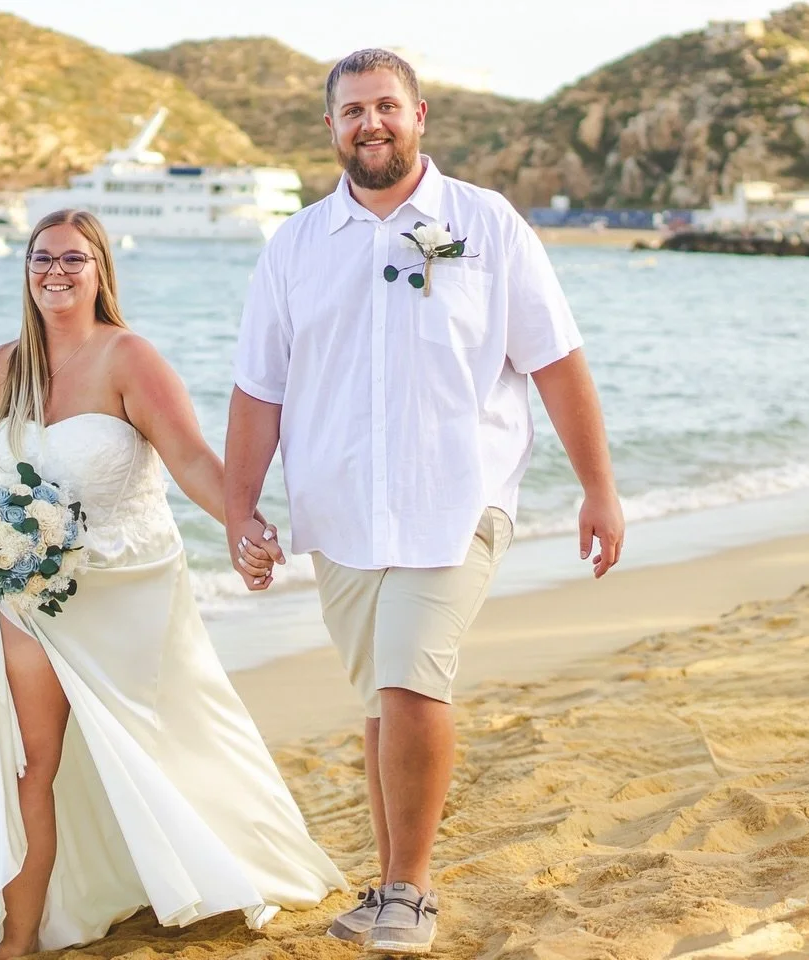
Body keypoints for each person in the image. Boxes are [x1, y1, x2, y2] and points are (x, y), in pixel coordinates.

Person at [224, 49, 625, 956]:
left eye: (385, 107)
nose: (371, 123)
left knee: (410, 680)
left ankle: (409, 891)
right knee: (382, 699)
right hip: (341, 509)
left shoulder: (485, 224)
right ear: (329, 128)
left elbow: (557, 363)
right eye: (352, 111)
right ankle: (388, 879)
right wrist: (239, 510)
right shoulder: (293, 248)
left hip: (460, 496)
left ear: (419, 115)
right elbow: (259, 392)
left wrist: (598, 488)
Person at [0, 209, 345, 960]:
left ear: (101, 271)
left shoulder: (129, 358)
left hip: (125, 590)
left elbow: (190, 459)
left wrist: (244, 526)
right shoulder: (1, 368)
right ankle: (19, 939)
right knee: (32, 758)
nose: (55, 272)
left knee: (168, 737)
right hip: (25, 597)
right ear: (24, 271)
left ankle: (222, 863)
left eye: (73, 259)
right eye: (41, 259)